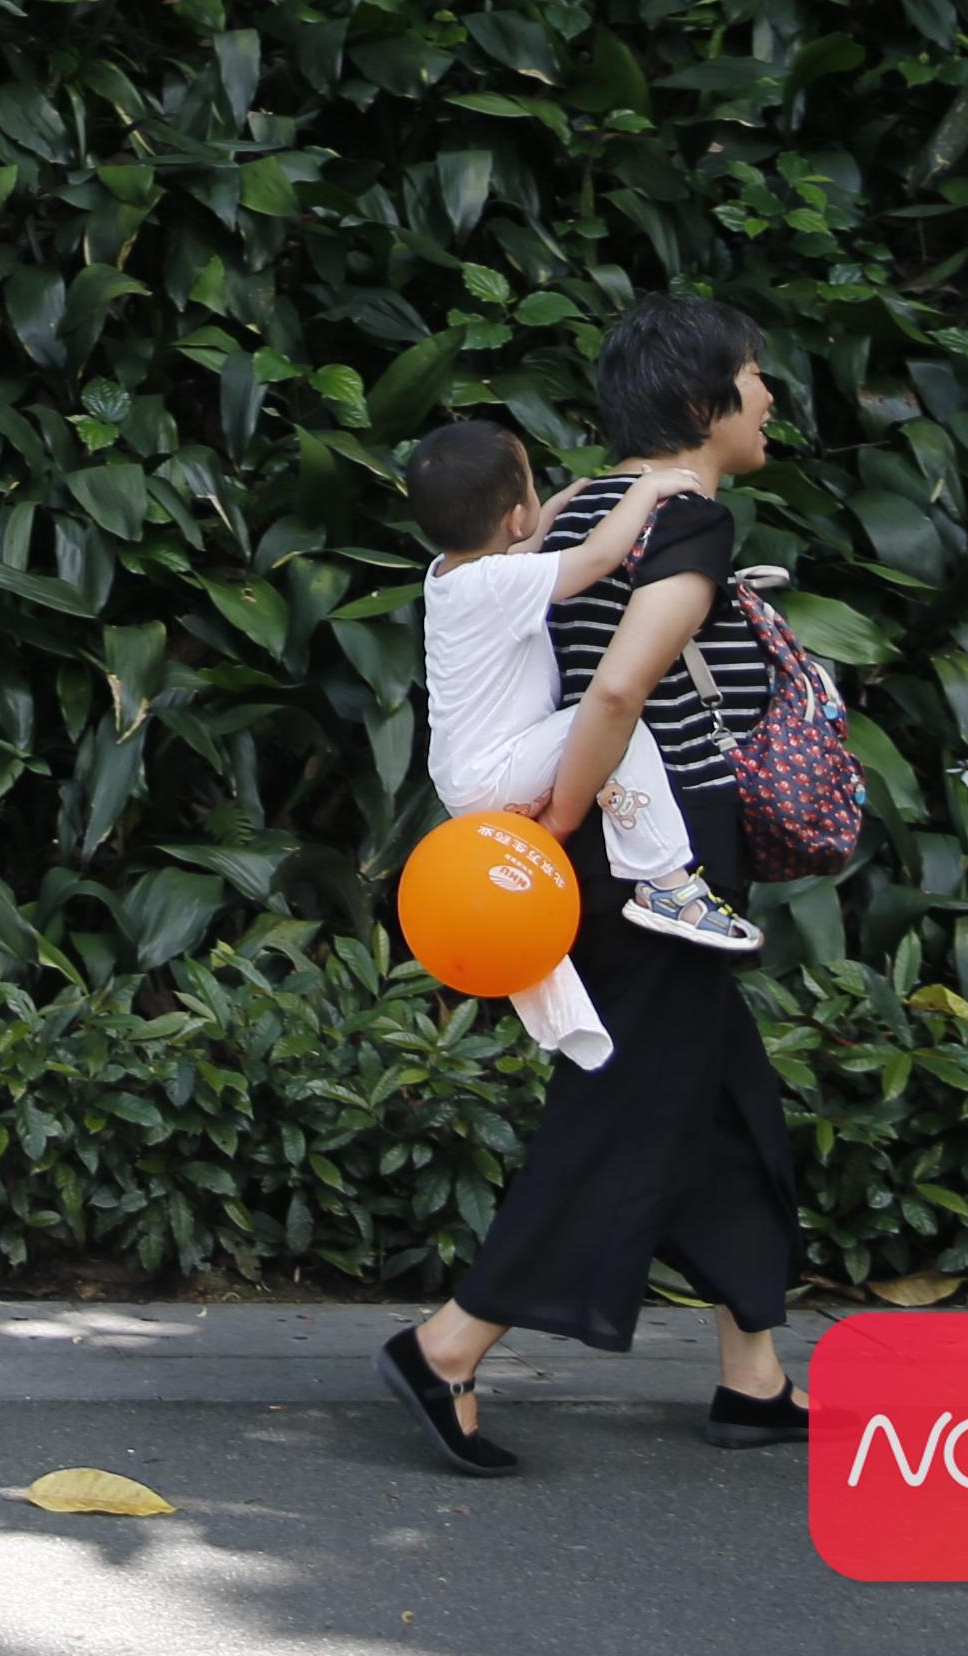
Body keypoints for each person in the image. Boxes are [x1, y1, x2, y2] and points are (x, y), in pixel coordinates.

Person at [382, 294, 810, 1478]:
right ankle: (450, 1345)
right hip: (640, 855)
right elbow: (618, 693)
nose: (769, 395)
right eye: (755, 375)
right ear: (700, 404)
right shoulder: (685, 527)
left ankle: (753, 1376)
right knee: (624, 1105)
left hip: (615, 847)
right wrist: (563, 815)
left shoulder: (573, 517)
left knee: (726, 1103)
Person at [407, 416, 757, 1088]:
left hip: (471, 777)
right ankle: (664, 882)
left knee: (595, 729)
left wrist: (562, 502)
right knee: (614, 725)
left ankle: (586, 995)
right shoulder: (498, 585)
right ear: (515, 516)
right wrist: (644, 493)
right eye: (537, 488)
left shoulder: (452, 577)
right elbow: (595, 561)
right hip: (496, 773)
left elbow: (523, 550)